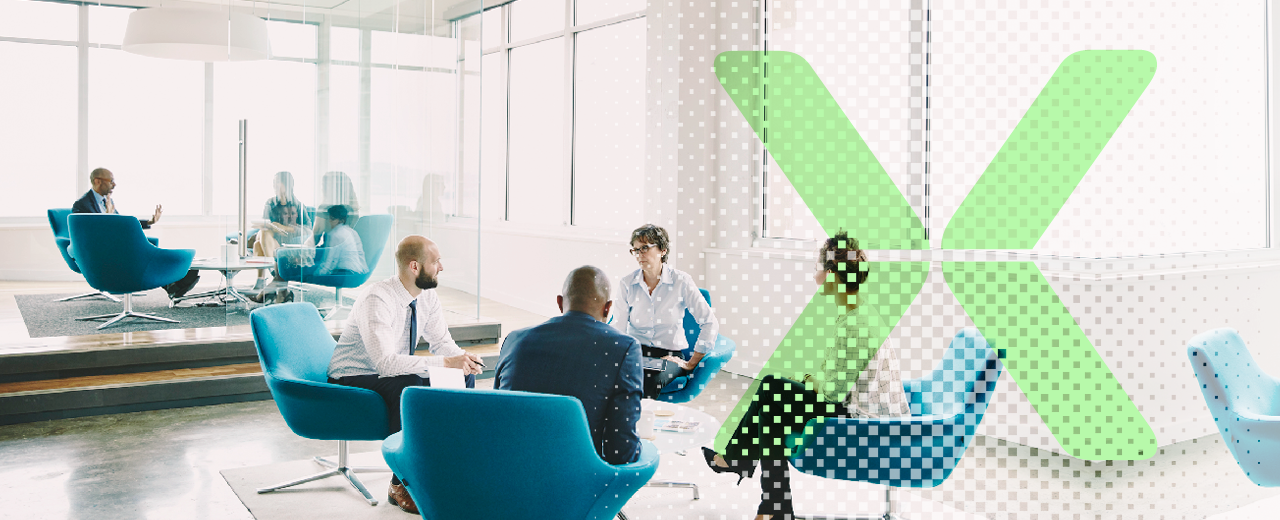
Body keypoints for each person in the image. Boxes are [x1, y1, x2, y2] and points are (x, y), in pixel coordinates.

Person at [701, 232, 910, 520]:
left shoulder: (856, 323)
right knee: (773, 406)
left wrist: (810, 381)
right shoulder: (856, 312)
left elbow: (833, 392)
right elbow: (836, 378)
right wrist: (812, 381)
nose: (815, 276)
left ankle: (748, 472)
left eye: (818, 268)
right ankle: (769, 501)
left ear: (833, 273)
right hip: (858, 408)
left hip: (866, 421)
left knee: (773, 390)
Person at [327, 235, 485, 515]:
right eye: (435, 262)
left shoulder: (426, 297)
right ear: (414, 267)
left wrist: (462, 359)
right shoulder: (377, 299)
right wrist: (444, 362)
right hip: (353, 374)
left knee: (461, 376)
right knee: (411, 387)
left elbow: (442, 343)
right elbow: (385, 364)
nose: (441, 268)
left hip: (389, 371)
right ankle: (400, 482)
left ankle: (449, 463)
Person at [493, 266, 644, 465]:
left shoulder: (514, 340)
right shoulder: (624, 348)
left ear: (560, 302)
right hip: (578, 481)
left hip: (508, 470)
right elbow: (621, 451)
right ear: (607, 308)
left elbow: (496, 416)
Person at [611, 224, 718, 399]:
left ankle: (641, 422)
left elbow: (709, 322)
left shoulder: (681, 281)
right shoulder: (627, 283)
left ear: (662, 250)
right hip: (635, 352)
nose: (639, 254)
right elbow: (619, 328)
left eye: (645, 248)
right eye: (635, 250)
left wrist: (691, 363)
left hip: (669, 356)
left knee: (649, 380)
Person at [71, 167, 199, 299]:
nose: (114, 185)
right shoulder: (82, 205)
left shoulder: (107, 201)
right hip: (101, 250)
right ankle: (172, 282)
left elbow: (121, 224)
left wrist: (149, 222)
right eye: (111, 181)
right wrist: (109, 218)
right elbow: (85, 234)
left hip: (115, 245)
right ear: (97, 181)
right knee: (139, 249)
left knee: (142, 246)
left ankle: (171, 281)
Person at [250, 171, 313, 290]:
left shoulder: (298, 205)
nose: (274, 185)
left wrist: (284, 228)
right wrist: (272, 226)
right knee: (262, 235)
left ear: (287, 184)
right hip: (271, 239)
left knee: (258, 244)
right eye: (273, 183)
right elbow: (265, 222)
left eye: (277, 182)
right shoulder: (270, 203)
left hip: (288, 240)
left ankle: (263, 279)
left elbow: (308, 229)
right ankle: (275, 272)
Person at [312, 205, 367, 276]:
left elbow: (329, 262)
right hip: (358, 272)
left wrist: (315, 275)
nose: (329, 221)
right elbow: (361, 255)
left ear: (341, 220)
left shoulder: (334, 234)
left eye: (332, 219)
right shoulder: (352, 232)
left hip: (344, 273)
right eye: (328, 218)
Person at [314, 171, 360, 236]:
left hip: (331, 246)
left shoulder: (324, 208)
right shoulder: (353, 210)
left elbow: (315, 238)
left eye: (325, 186)